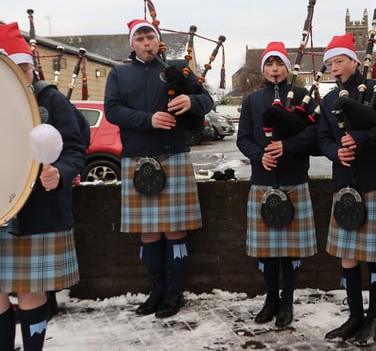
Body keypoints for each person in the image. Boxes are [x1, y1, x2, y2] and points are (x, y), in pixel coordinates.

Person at [104, 19, 213, 318]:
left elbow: (208, 101)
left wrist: (190, 100)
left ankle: (174, 294)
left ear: (158, 39)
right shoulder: (119, 73)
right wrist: (148, 119)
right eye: (139, 38)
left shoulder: (178, 69)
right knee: (149, 232)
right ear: (132, 44)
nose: (146, 42)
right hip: (138, 159)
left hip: (173, 154)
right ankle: (157, 291)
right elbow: (112, 110)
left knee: (175, 230)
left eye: (150, 36)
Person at [0, 22, 86, 350]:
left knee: (30, 290)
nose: (18, 77)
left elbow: (76, 147)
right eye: (10, 69)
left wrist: (61, 172)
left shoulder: (51, 100)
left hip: (38, 213)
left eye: (22, 68)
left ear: (31, 67)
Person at [317, 33, 376, 346]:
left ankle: (374, 316)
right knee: (348, 256)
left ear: (354, 60)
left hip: (374, 180)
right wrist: (335, 152)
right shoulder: (327, 100)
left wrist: (361, 140)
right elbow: (322, 138)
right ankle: (354, 315)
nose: (334, 68)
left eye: (339, 61)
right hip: (344, 184)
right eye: (330, 63)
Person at [236, 41, 318, 328]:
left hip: (294, 179)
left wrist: (288, 146)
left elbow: (315, 135)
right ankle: (270, 299)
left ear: (287, 67)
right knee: (267, 251)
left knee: (291, 250)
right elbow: (243, 138)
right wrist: (260, 157)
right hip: (263, 181)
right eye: (270, 64)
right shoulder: (251, 101)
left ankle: (288, 301)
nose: (275, 69)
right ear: (263, 69)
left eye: (279, 64)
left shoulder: (304, 96)